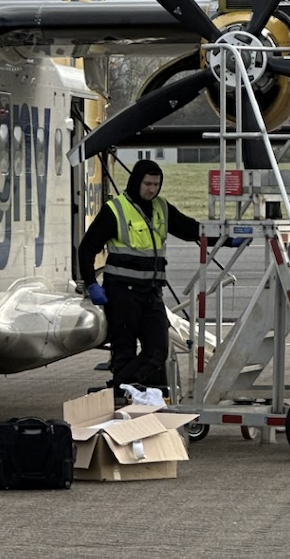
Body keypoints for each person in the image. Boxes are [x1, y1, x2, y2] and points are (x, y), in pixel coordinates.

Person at [76, 159, 201, 402]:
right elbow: (87, 248)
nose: (152, 189)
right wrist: (91, 282)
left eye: (156, 184)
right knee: (124, 351)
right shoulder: (116, 209)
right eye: (147, 183)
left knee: (157, 351)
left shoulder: (161, 208)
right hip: (122, 293)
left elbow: (189, 229)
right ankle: (123, 396)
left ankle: (119, 389)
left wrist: (228, 236)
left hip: (151, 293)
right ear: (136, 181)